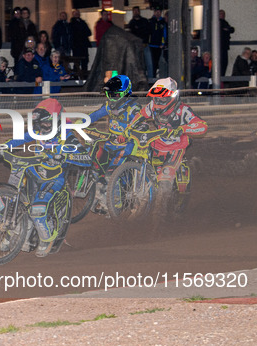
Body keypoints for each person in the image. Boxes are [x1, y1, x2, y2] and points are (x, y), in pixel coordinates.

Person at [0, 98, 70, 257]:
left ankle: (47, 238)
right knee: (2, 202)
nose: (42, 128)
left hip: (54, 178)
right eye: (40, 124)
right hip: (36, 172)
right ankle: (16, 230)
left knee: (37, 209)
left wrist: (64, 156)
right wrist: (5, 145)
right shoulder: (37, 131)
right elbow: (21, 138)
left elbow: (81, 154)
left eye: (46, 124)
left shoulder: (67, 132)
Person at [128, 77, 207, 209]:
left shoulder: (183, 110)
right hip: (157, 144)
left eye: (162, 98)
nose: (158, 101)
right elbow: (139, 116)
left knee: (165, 179)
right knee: (138, 157)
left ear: (172, 96)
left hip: (176, 147)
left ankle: (160, 216)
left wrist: (183, 128)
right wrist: (128, 129)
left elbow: (202, 126)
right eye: (156, 98)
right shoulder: (152, 106)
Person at [86, 75, 142, 211]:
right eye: (108, 94)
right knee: (94, 167)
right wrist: (77, 123)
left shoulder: (134, 109)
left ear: (125, 93)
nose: (111, 98)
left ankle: (115, 206)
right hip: (110, 144)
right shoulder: (109, 106)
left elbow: (142, 127)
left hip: (128, 146)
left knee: (112, 173)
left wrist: (127, 134)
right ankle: (100, 196)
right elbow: (94, 116)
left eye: (114, 95)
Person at [148, 8, 166, 78]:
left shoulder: (163, 22)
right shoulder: (151, 21)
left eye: (159, 12)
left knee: (158, 62)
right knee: (152, 62)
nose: (158, 14)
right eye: (156, 12)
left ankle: (157, 76)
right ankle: (152, 76)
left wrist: (162, 43)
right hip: (151, 45)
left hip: (159, 46)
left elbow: (164, 33)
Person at [219, 10, 235, 76]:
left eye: (223, 14)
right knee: (222, 63)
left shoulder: (225, 22)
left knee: (224, 63)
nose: (223, 15)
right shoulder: (219, 22)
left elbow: (232, 29)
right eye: (221, 14)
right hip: (220, 47)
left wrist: (227, 29)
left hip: (224, 46)